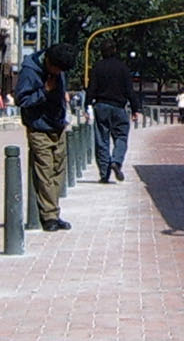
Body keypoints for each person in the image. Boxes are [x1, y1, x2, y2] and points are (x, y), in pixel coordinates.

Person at [15, 41, 77, 230]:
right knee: (44, 171)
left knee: (59, 169)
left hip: (57, 125)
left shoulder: (59, 70)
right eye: (57, 69)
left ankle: (53, 211)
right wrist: (44, 91)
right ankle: (49, 216)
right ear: (48, 61)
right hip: (39, 126)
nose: (59, 73)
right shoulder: (30, 70)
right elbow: (21, 100)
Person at [87, 39, 134, 183]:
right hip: (119, 107)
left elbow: (91, 88)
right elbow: (129, 90)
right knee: (121, 137)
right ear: (115, 50)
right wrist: (136, 108)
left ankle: (104, 174)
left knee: (102, 140)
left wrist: (87, 104)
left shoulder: (97, 67)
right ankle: (116, 161)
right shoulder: (123, 68)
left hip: (101, 106)